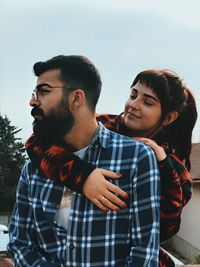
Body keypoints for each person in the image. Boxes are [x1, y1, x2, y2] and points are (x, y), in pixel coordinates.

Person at [24, 68, 197, 266]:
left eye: (147, 102)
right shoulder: (100, 125)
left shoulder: (173, 171)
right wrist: (83, 176)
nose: (134, 105)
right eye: (133, 95)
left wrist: (162, 167)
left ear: (168, 118)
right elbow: (36, 142)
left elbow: (165, 229)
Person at [8, 55, 160, 266]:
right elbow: (20, 243)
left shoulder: (136, 158)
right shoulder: (33, 168)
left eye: (43, 91)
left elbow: (145, 251)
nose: (33, 101)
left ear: (76, 99)